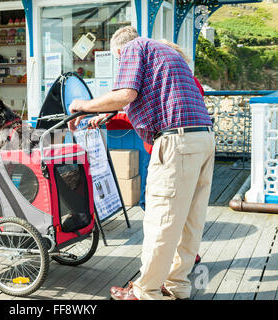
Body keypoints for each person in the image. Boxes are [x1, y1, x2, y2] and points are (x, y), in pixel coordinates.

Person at [68, 26, 215, 300]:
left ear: (120, 51)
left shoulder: (135, 48)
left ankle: (144, 292)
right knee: (190, 221)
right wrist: (109, 113)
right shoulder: (169, 55)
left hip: (176, 144)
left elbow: (126, 94)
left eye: (118, 59)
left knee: (161, 220)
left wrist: (83, 105)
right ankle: (178, 286)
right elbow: (150, 96)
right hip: (203, 139)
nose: (121, 64)